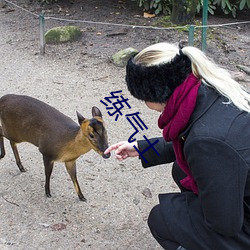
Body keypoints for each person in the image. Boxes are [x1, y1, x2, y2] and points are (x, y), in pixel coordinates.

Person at [104, 42, 250, 250]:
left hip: (241, 221)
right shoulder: (208, 88)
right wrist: (141, 148)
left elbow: (225, 224)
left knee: (162, 218)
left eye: (143, 97)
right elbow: (187, 138)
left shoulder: (207, 142)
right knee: (181, 169)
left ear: (155, 93)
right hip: (240, 186)